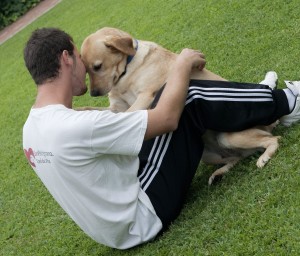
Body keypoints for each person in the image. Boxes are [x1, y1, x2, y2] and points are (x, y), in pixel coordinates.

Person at [23, 28, 300, 249]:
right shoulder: (74, 126)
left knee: (174, 99)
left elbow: (105, 127)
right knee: (186, 98)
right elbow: (167, 118)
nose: (85, 68)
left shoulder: (32, 130)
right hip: (144, 213)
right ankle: (287, 101)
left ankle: (255, 108)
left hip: (115, 230)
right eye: (80, 61)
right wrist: (182, 63)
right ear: (66, 58)